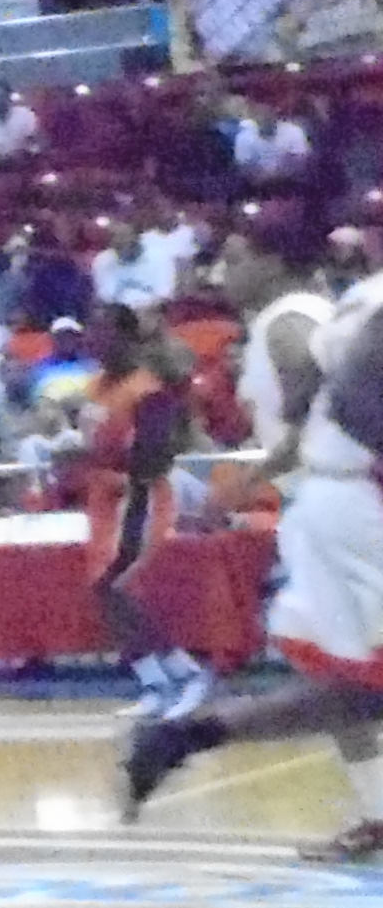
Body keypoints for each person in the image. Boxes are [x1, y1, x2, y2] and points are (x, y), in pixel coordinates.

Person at [126, 267, 383, 858]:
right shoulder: (302, 321)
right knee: (358, 687)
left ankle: (190, 734)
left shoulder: (344, 306)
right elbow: (348, 403)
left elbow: (322, 401)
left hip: (340, 502)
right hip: (357, 504)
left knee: (359, 689)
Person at [81, 313, 210, 720]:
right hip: (104, 498)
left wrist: (90, 457)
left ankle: (187, 673)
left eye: (101, 333)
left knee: (112, 586)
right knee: (105, 591)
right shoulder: (96, 387)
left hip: (139, 495)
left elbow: (155, 457)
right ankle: (155, 683)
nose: (93, 341)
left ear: (126, 339)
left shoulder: (148, 390)